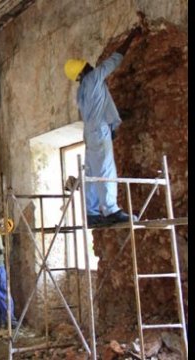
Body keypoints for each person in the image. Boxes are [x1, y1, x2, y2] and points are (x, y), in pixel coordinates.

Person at [64, 26, 142, 226]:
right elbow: (115, 59)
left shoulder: (81, 90)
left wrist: (115, 120)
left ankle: (90, 213)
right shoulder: (95, 77)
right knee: (106, 169)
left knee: (91, 172)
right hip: (98, 130)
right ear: (83, 70)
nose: (90, 65)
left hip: (90, 133)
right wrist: (131, 36)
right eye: (86, 65)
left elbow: (101, 106)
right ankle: (110, 209)